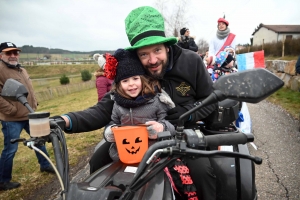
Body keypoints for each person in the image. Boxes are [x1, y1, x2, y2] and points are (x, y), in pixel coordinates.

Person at [58, 6, 217, 199]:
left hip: (180, 135)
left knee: (204, 172)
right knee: (98, 160)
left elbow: (210, 101)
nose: (152, 60)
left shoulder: (191, 61)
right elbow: (104, 109)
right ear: (136, 56)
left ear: (167, 45)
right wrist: (65, 120)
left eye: (157, 50)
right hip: (135, 139)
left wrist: (188, 113)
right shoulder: (133, 73)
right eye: (144, 54)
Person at [101, 48, 176, 161]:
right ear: (119, 84)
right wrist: (110, 132)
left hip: (153, 155)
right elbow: (114, 122)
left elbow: (171, 125)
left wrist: (161, 128)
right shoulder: (118, 104)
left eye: (135, 79)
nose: (131, 84)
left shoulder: (156, 101)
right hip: (124, 155)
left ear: (143, 79)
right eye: (125, 81)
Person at [0, 42, 55, 191]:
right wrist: (11, 110)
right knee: (10, 149)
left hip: (30, 115)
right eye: (8, 53)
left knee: (40, 141)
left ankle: (45, 166)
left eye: (15, 53)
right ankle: (3, 181)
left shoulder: (21, 69)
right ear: (1, 55)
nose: (13, 56)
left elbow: (28, 89)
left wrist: (34, 102)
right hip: (12, 119)